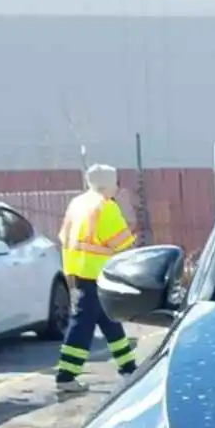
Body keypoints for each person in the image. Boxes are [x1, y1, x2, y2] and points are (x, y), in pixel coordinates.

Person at [54, 164, 139, 390]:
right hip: (99, 273)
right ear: (109, 183)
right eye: (116, 182)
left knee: (109, 320)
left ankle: (129, 368)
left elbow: (64, 237)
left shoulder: (78, 203)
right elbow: (121, 243)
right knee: (82, 324)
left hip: (79, 272)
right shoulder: (105, 206)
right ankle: (66, 376)